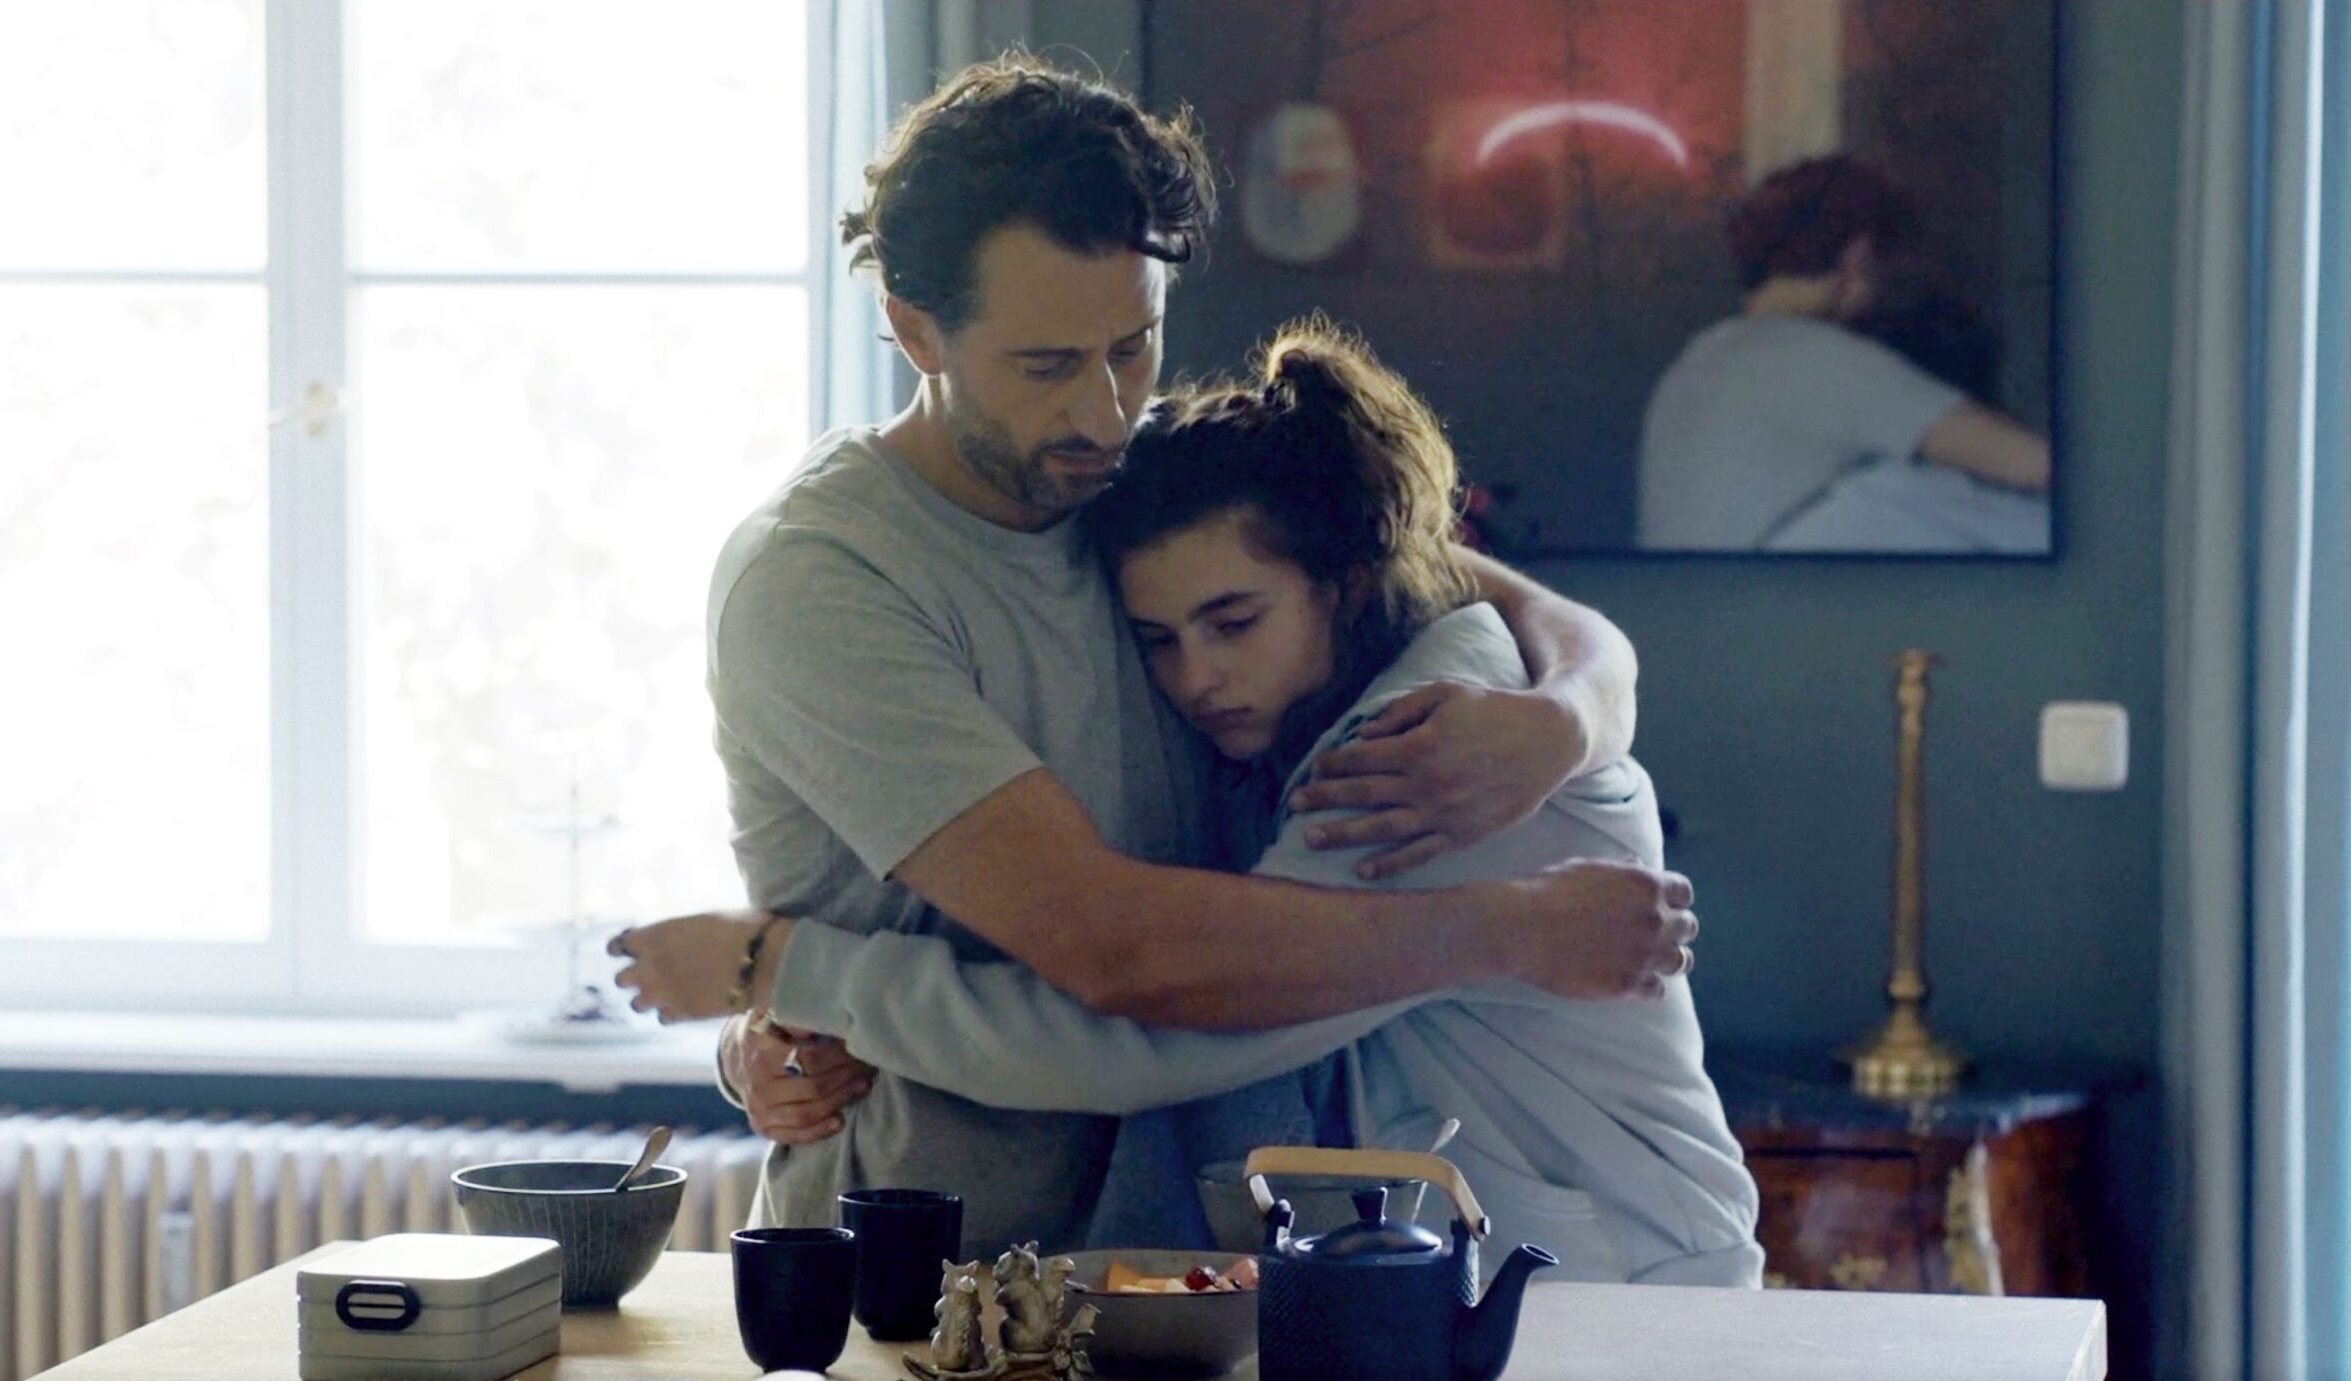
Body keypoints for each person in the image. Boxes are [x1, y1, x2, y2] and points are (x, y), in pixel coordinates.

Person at [608, 55, 1696, 1262]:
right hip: (938, 1268)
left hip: (1187, 1263)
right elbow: (1116, 952)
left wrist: (1574, 711)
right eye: (1044, 365)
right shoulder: (823, 577)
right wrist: (1505, 929)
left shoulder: (1121, 476)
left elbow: (1435, 571)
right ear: (915, 329)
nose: (1101, 410)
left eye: (1133, 346)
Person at [1636, 155, 2051, 552]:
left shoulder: (1696, 362)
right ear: (1859, 257)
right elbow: (2035, 464)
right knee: (1908, 490)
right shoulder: (1808, 355)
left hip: (1709, 592)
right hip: (1781, 587)